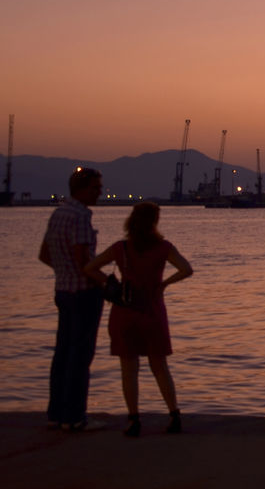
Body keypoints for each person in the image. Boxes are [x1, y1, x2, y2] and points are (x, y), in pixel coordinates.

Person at [85, 201, 193, 437]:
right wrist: (164, 284)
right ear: (154, 222)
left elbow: (90, 268)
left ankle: (134, 419)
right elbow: (186, 269)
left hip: (125, 312)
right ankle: (174, 414)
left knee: (128, 368)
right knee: (160, 366)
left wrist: (108, 283)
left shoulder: (121, 248)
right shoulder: (163, 247)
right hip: (152, 311)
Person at [38, 167, 106, 431]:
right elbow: (83, 260)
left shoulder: (58, 214)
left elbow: (44, 254)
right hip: (84, 294)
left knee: (62, 353)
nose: (100, 192)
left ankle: (56, 413)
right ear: (81, 188)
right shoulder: (80, 216)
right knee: (80, 355)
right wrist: (106, 282)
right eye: (95, 187)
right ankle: (75, 416)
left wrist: (63, 272)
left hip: (62, 291)